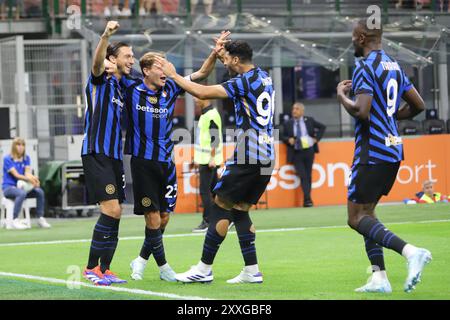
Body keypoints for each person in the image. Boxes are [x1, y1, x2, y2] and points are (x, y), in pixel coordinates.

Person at [156, 39, 275, 284]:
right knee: (240, 209)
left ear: (236, 60)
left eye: (227, 59)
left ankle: (203, 268)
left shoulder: (242, 82)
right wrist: (220, 52)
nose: (225, 62)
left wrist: (173, 74)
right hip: (266, 154)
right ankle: (252, 271)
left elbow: (201, 91)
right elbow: (233, 64)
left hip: (248, 153)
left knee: (220, 205)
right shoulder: (264, 77)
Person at [336, 18, 432, 294]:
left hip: (372, 151)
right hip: (392, 148)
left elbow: (362, 111)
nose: (352, 40)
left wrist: (342, 95)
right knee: (369, 214)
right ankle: (379, 277)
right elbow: (418, 106)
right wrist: (389, 116)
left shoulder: (365, 67)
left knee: (355, 218)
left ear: (363, 37)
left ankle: (411, 252)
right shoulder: (393, 65)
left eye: (354, 36)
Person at [126, 31, 231, 282]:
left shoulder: (171, 87)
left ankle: (140, 259)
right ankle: (164, 268)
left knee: (162, 218)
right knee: (152, 216)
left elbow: (201, 75)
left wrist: (214, 53)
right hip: (143, 162)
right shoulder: (130, 90)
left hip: (166, 163)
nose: (166, 71)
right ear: (147, 70)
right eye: (161, 66)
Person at [81, 21, 134, 286]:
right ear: (112, 59)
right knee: (111, 209)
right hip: (96, 153)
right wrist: (105, 36)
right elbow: (97, 64)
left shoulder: (121, 88)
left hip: (113, 156)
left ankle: (106, 269)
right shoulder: (100, 80)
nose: (132, 60)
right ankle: (90, 268)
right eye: (128, 56)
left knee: (117, 212)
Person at [282, 102, 326, 207]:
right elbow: (281, 135)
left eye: (297, 109)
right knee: (303, 175)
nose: (294, 111)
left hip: (309, 151)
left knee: (308, 175)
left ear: (302, 111)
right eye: (293, 109)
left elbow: (322, 127)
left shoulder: (309, 120)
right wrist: (288, 139)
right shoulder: (288, 123)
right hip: (296, 152)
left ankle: (307, 200)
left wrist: (316, 139)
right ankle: (307, 199)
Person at [2, 138, 51, 230]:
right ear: (14, 146)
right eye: (18, 145)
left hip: (23, 188)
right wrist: (32, 180)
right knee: (22, 193)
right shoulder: (7, 159)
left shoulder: (26, 158)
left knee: (39, 191)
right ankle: (14, 220)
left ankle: (40, 218)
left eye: (23, 145)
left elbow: (27, 174)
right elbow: (17, 175)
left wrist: (34, 180)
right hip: (8, 188)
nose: (21, 147)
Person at [192, 97, 223, 233]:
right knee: (215, 191)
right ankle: (227, 217)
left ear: (205, 99)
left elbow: (214, 138)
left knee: (205, 191)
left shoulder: (210, 115)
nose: (194, 98)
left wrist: (211, 158)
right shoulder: (207, 114)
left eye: (196, 96)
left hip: (208, 161)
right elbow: (203, 139)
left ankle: (208, 220)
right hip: (205, 159)